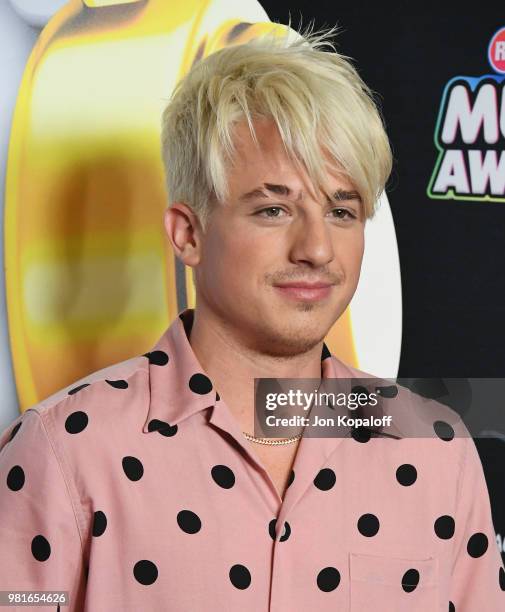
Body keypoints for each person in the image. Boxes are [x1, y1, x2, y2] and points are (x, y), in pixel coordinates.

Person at [1, 22, 504, 612]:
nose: (316, 248)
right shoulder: (63, 451)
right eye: (273, 209)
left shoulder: (434, 447)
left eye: (342, 211)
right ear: (188, 234)